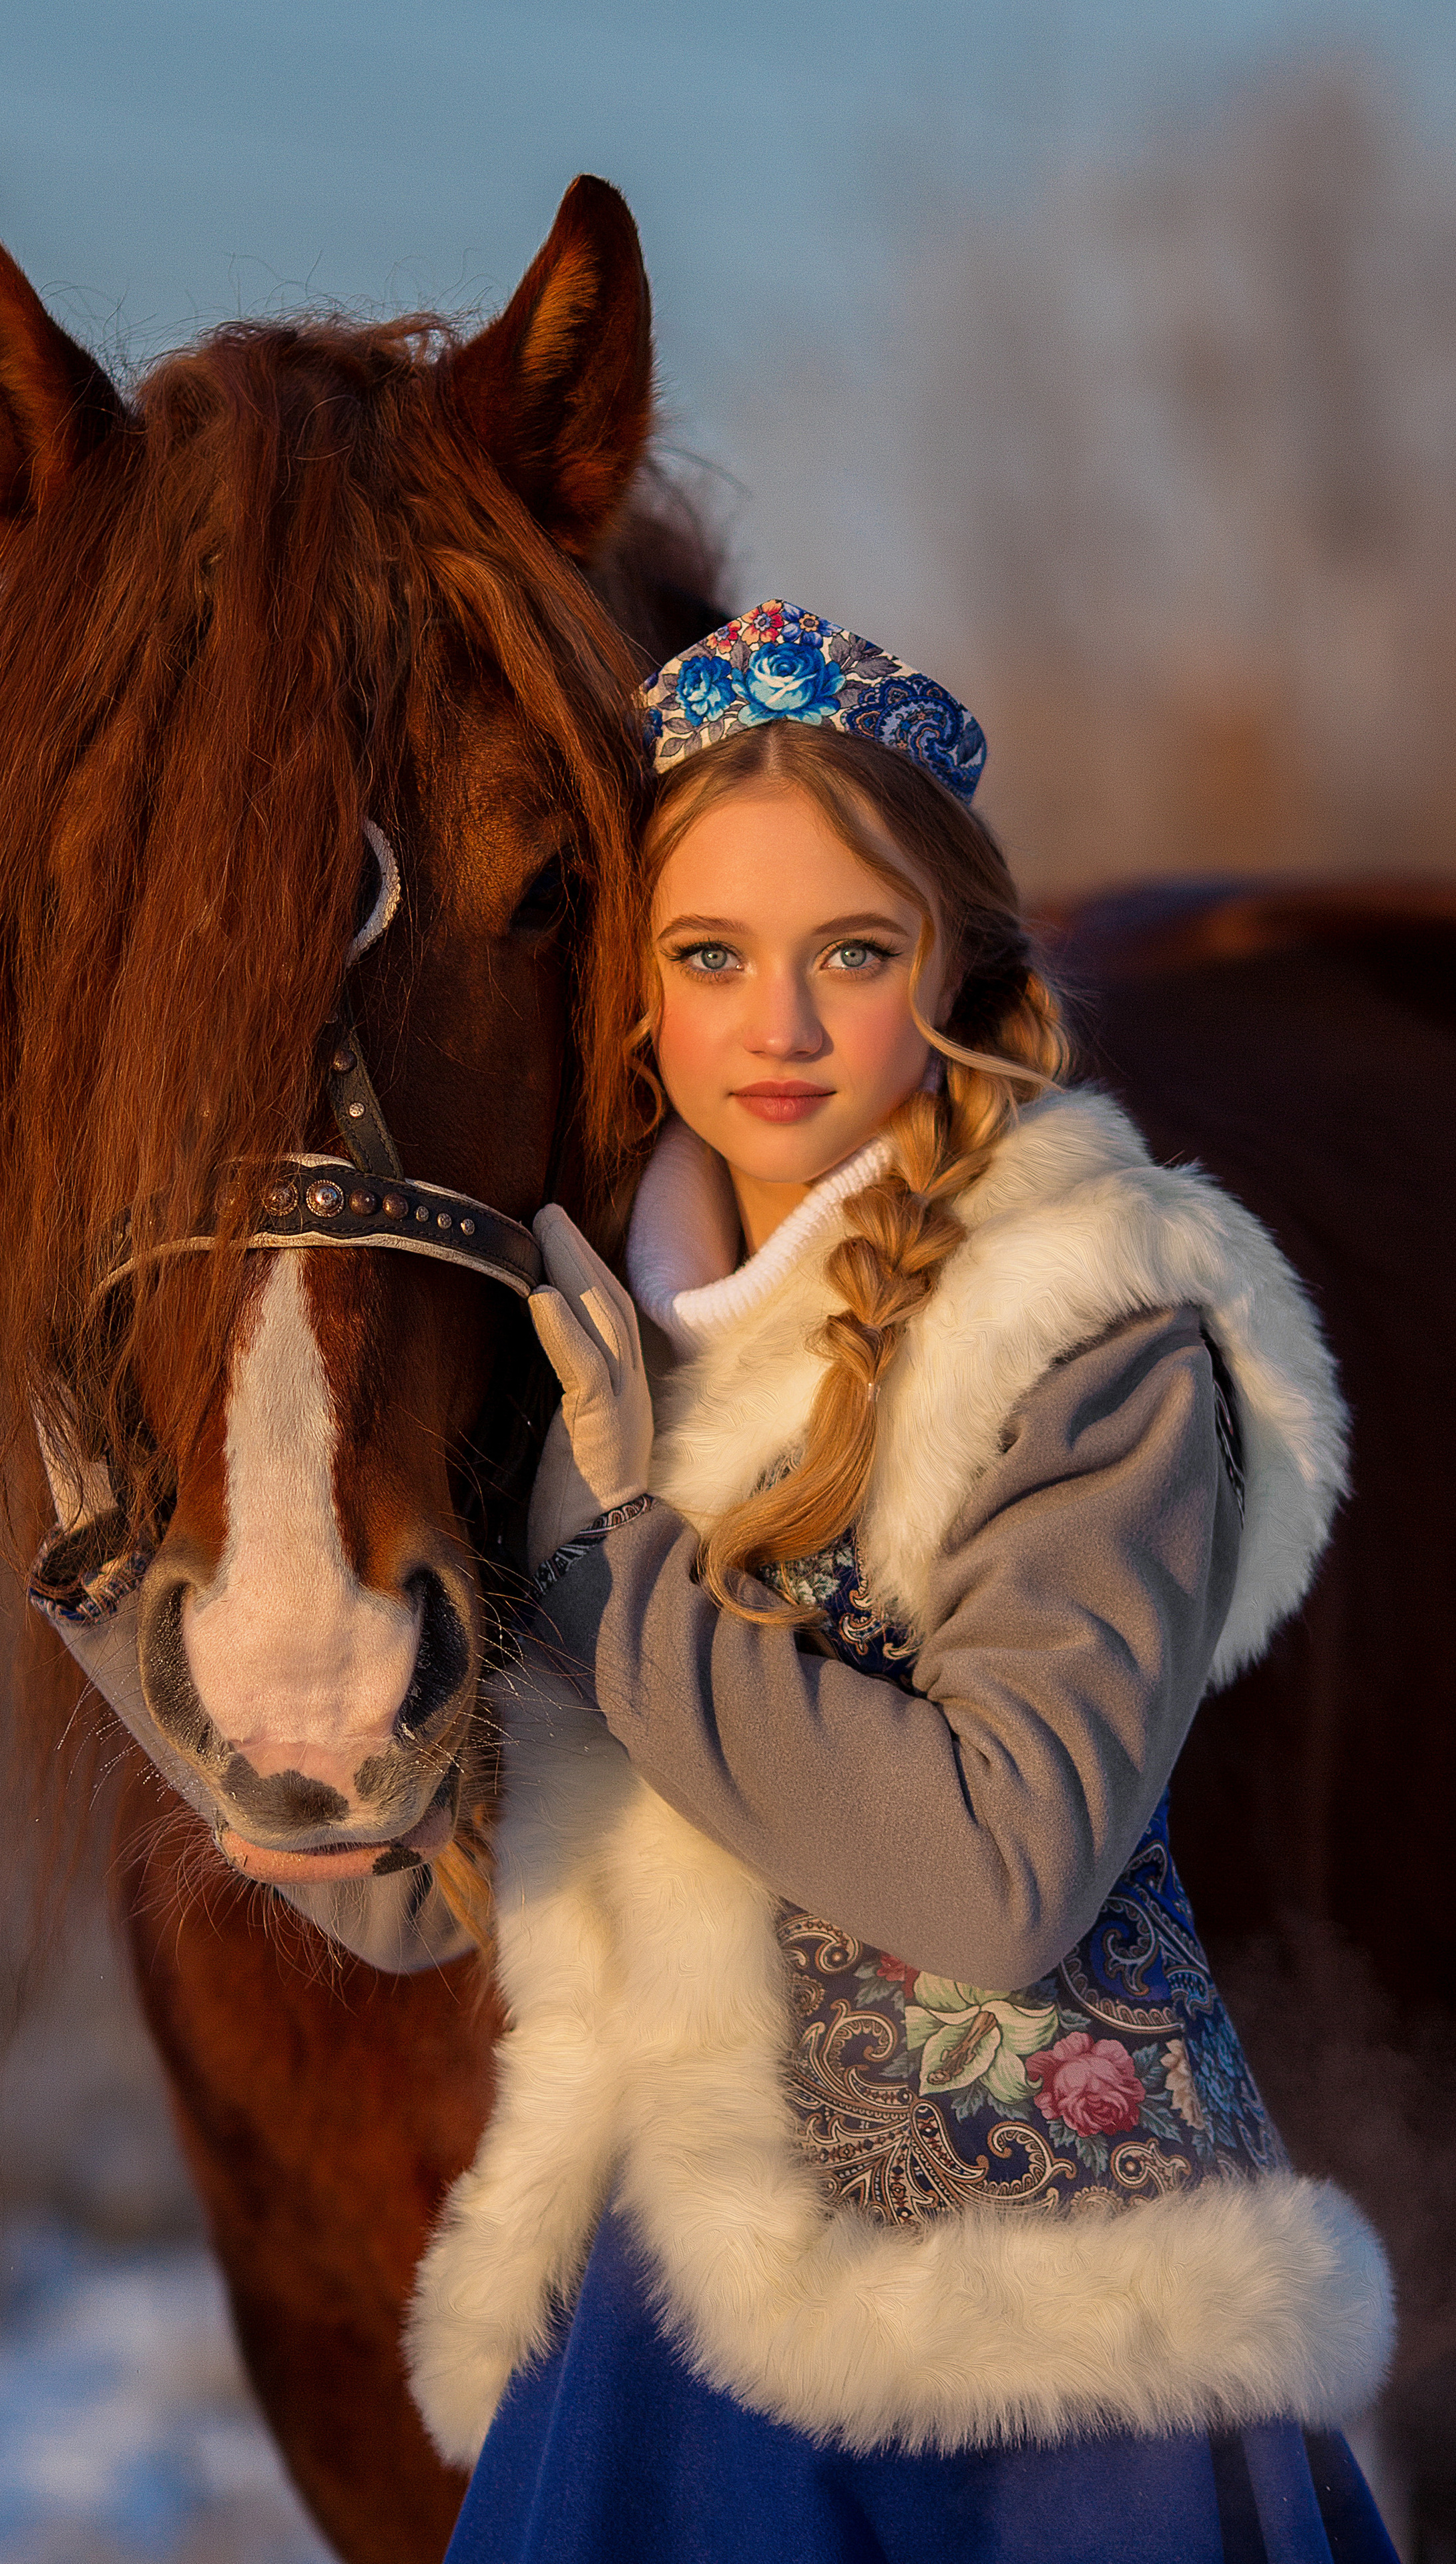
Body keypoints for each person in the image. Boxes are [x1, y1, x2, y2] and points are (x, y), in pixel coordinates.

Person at [406, 603, 1399, 2563]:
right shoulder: (605, 1332)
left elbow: (999, 1874)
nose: (777, 1029)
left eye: (850, 953)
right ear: (639, 991)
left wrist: (621, 1580)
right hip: (648, 2302)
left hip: (1024, 2357)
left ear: (958, 963)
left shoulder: (1088, 1324)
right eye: (712, 957)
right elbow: (431, 1896)